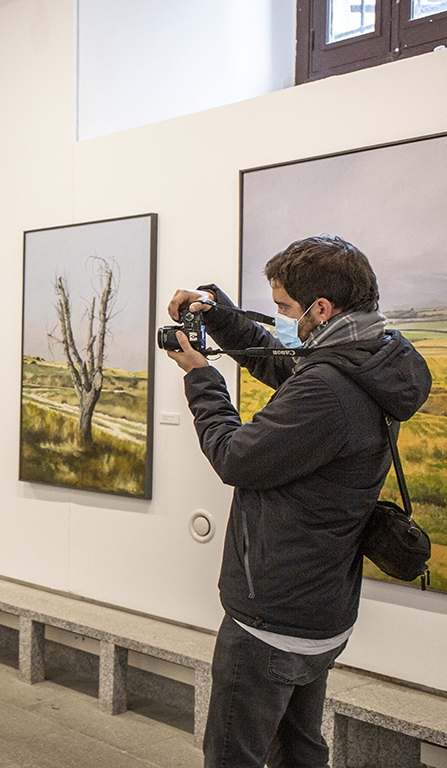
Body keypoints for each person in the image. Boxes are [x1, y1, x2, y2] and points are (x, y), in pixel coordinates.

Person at [165, 235, 431, 768]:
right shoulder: (370, 359)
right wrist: (218, 316)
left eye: (286, 308)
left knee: (233, 756)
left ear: (323, 309)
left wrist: (201, 379)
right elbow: (286, 368)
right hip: (321, 608)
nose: (283, 318)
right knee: (300, 749)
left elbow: (236, 458)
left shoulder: (330, 390)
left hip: (274, 617)